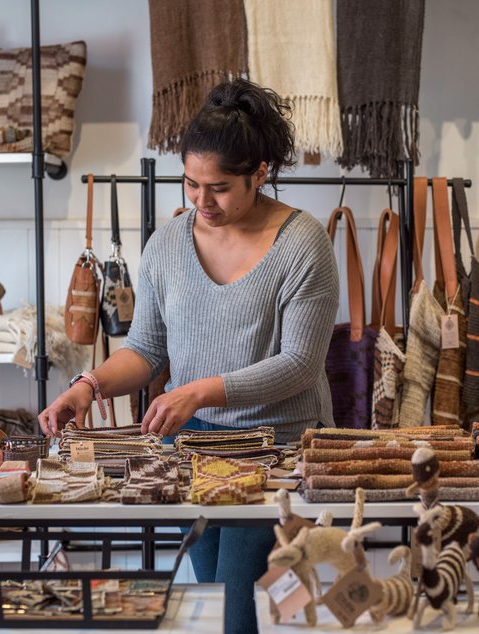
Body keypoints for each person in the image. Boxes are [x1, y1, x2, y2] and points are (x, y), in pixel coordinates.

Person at [38, 78, 339, 634]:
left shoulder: (303, 244)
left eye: (220, 187)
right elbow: (147, 350)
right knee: (213, 591)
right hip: (192, 444)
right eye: (191, 183)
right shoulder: (168, 243)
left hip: (277, 445)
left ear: (261, 173)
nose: (201, 202)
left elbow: (299, 363)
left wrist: (198, 389)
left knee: (236, 600)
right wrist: (88, 386)